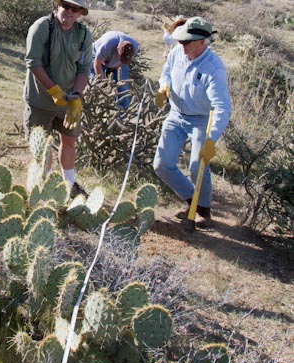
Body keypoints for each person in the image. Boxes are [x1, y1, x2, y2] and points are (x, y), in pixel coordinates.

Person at [152, 16, 232, 226]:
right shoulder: (177, 52)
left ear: (202, 42)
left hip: (200, 119)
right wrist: (164, 86)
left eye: (186, 42)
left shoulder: (214, 69)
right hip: (176, 114)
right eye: (180, 41)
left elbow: (222, 108)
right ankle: (191, 200)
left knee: (197, 165)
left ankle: (203, 210)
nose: (182, 45)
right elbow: (166, 73)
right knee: (162, 165)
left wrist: (211, 139)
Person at [24, 0, 93, 196]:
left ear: (80, 13)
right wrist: (53, 90)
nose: (69, 11)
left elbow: (83, 68)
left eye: (75, 8)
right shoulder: (42, 27)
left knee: (69, 141)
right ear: (58, 5)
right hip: (40, 101)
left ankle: (69, 185)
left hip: (68, 101)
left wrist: (76, 96)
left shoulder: (83, 34)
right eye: (65, 5)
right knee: (40, 148)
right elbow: (33, 62)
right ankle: (41, 187)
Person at [91, 30, 139, 108]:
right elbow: (97, 65)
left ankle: (122, 114)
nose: (121, 61)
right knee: (93, 84)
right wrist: (103, 84)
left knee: (123, 86)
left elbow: (124, 62)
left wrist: (116, 67)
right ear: (117, 49)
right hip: (95, 58)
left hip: (111, 60)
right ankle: (92, 107)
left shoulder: (134, 47)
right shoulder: (107, 45)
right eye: (121, 58)